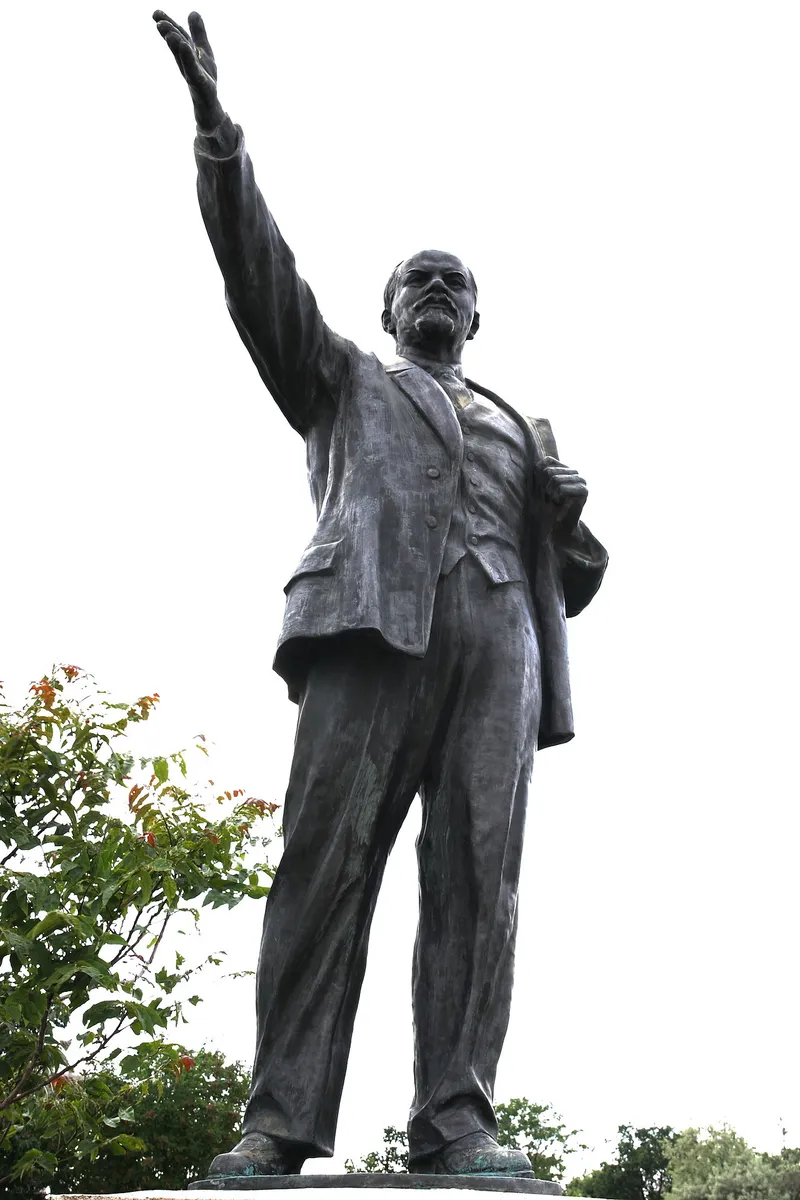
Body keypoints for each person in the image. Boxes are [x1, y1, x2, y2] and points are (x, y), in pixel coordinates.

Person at [154, 11, 608, 1181]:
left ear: (478, 313)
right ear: (388, 307)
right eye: (418, 280)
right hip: (370, 629)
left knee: (478, 881)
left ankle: (455, 1119)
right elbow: (262, 280)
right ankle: (279, 1122)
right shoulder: (342, 378)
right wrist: (220, 140)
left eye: (456, 282)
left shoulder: (521, 420)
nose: (438, 291)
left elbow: (585, 575)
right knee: (326, 866)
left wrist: (565, 517)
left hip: (500, 644)